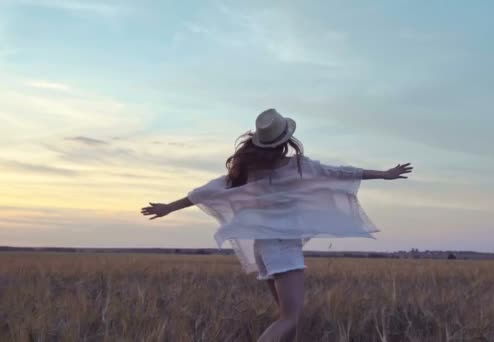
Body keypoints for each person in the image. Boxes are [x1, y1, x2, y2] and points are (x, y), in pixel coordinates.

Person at [140, 108, 413, 342]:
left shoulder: (246, 173)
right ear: (286, 140)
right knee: (289, 319)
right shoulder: (299, 166)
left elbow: (204, 192)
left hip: (264, 248)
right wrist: (385, 175)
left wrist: (168, 207)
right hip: (282, 248)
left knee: (285, 316)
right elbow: (341, 172)